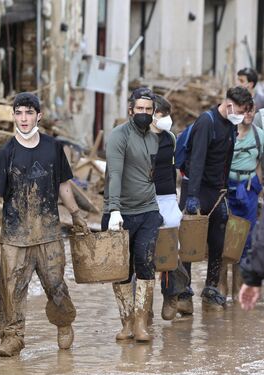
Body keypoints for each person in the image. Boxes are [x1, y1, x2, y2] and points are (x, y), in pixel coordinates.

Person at [0, 92, 88, 357]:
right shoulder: (7, 151)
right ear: (13, 116)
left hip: (48, 233)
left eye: (29, 113)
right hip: (15, 237)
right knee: (11, 290)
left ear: (39, 116)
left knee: (56, 286)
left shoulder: (53, 147)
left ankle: (64, 323)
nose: (24, 118)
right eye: (19, 113)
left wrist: (76, 214)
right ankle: (12, 337)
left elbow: (63, 186)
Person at [172, 86, 253, 314]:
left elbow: (225, 159)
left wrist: (224, 189)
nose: (242, 115)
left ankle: (210, 289)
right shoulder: (206, 122)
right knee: (188, 242)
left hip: (216, 192)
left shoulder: (230, 125)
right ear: (229, 105)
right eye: (240, 110)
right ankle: (183, 293)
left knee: (218, 241)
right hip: (195, 189)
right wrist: (192, 196)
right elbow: (197, 160)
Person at [103, 87, 162, 343]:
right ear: (130, 110)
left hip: (148, 209)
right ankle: (126, 321)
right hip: (121, 212)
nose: (144, 114)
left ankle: (141, 322)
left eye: (148, 110)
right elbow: (114, 173)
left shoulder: (155, 137)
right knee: (122, 270)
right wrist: (114, 208)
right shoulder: (119, 136)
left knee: (145, 262)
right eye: (140, 109)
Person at [222, 104, 264, 300]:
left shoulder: (259, 136)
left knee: (246, 239)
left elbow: (260, 165)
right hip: (227, 189)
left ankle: (239, 288)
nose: (248, 115)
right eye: (244, 111)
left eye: (251, 111)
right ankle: (220, 287)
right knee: (223, 237)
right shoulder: (227, 132)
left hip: (249, 190)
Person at [149, 95, 183, 321]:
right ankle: (144, 307)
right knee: (143, 252)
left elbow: (175, 166)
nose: (166, 119)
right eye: (162, 115)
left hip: (168, 196)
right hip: (144, 198)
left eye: (167, 115)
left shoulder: (170, 137)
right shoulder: (139, 138)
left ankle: (171, 295)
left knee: (172, 247)